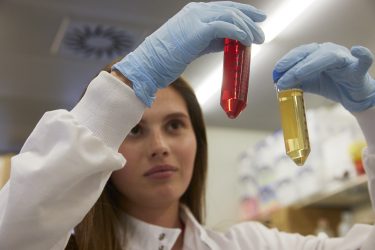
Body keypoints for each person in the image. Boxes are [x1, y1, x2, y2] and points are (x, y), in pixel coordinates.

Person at [0, 1, 374, 250]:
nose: (160, 145)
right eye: (134, 129)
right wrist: (131, 79)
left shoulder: (249, 244)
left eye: (175, 125)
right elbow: (13, 231)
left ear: (197, 138)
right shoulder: (66, 244)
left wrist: (370, 113)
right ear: (106, 152)